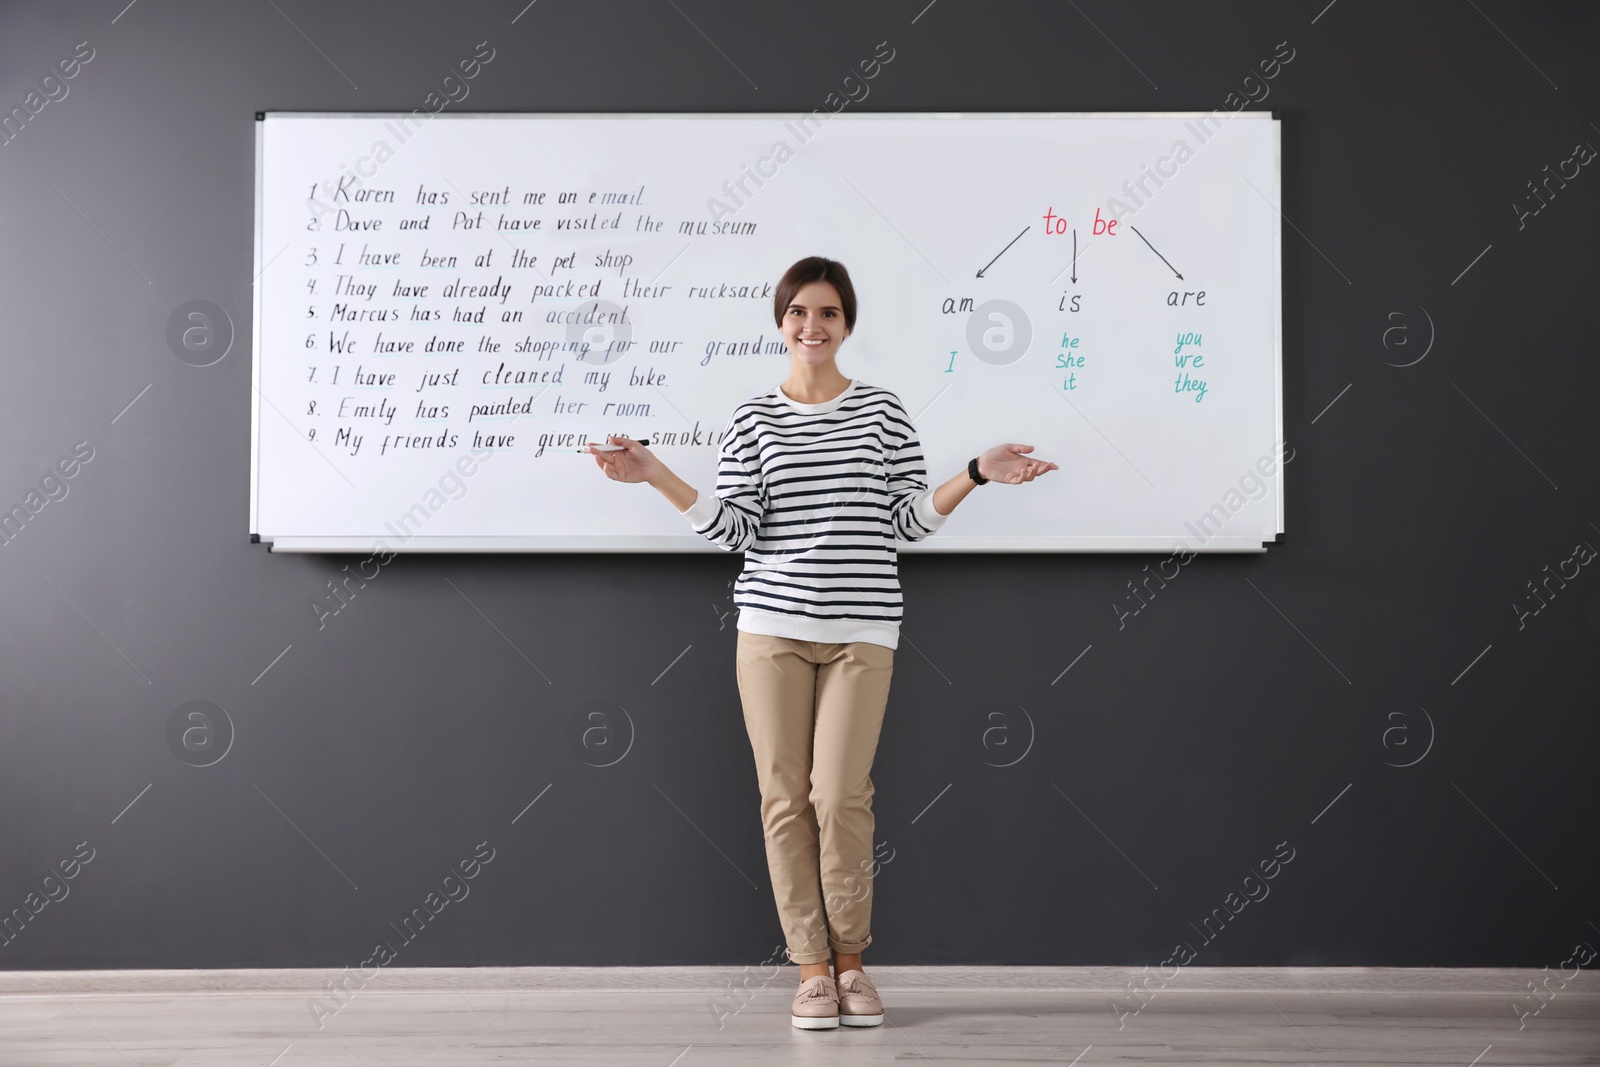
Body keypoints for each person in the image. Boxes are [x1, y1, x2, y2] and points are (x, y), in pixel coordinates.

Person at [588, 256, 1057, 1030]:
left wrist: (974, 471)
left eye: (829, 313)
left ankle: (852, 964)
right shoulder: (753, 418)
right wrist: (654, 473)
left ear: (847, 324)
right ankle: (811, 971)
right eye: (799, 312)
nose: (813, 326)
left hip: (862, 631)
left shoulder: (881, 411)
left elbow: (906, 520)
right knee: (783, 800)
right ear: (781, 322)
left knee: (839, 797)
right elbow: (733, 529)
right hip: (770, 630)